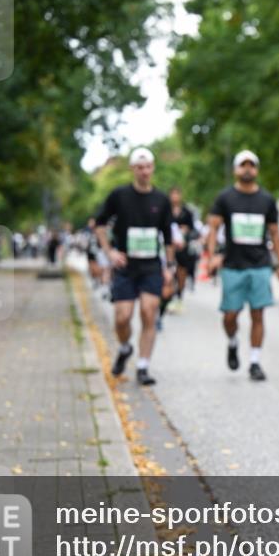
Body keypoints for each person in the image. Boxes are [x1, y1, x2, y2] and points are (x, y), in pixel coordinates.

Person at [94, 147, 175, 386]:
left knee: (149, 312)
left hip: (151, 265)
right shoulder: (119, 196)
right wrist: (110, 252)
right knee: (122, 317)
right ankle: (126, 347)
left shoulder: (161, 200)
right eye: (139, 167)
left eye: (148, 167)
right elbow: (99, 224)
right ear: (132, 169)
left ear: (153, 168)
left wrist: (169, 266)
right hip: (126, 266)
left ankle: (143, 366)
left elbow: (168, 237)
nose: (144, 172)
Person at [205, 150, 279, 381]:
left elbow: (275, 233)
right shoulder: (225, 198)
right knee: (230, 315)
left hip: (260, 264)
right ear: (235, 170)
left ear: (257, 170)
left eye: (252, 165)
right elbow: (213, 228)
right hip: (233, 265)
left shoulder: (266, 200)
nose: (248, 169)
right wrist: (212, 256)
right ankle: (232, 341)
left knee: (258, 313)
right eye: (243, 165)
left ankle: (254, 361)